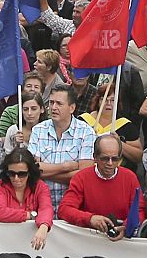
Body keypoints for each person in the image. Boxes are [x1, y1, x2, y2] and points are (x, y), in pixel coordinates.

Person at [58, 134, 144, 240]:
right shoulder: (81, 178)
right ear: (95, 157)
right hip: (88, 239)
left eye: (115, 159)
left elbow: (139, 210)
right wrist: (90, 219)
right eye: (105, 159)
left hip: (121, 239)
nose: (110, 163)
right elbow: (64, 209)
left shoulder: (130, 177)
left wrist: (125, 228)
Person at [28, 84, 96, 212]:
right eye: (51, 102)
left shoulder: (86, 132)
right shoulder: (38, 130)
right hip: (41, 205)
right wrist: (65, 167)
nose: (53, 107)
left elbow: (84, 176)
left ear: (72, 108)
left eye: (59, 103)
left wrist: (45, 173)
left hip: (74, 207)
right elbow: (31, 169)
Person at [0, 148, 53, 250]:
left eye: (22, 174)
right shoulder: (0, 186)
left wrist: (43, 226)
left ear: (30, 172)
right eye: (11, 173)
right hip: (4, 244)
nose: (16, 178)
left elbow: (46, 208)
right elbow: (0, 213)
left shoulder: (41, 187)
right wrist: (30, 215)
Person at [79, 84, 143, 168]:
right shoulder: (83, 122)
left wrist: (119, 143)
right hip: (86, 169)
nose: (108, 103)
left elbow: (138, 156)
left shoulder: (126, 125)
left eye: (113, 100)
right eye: (104, 99)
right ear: (98, 101)